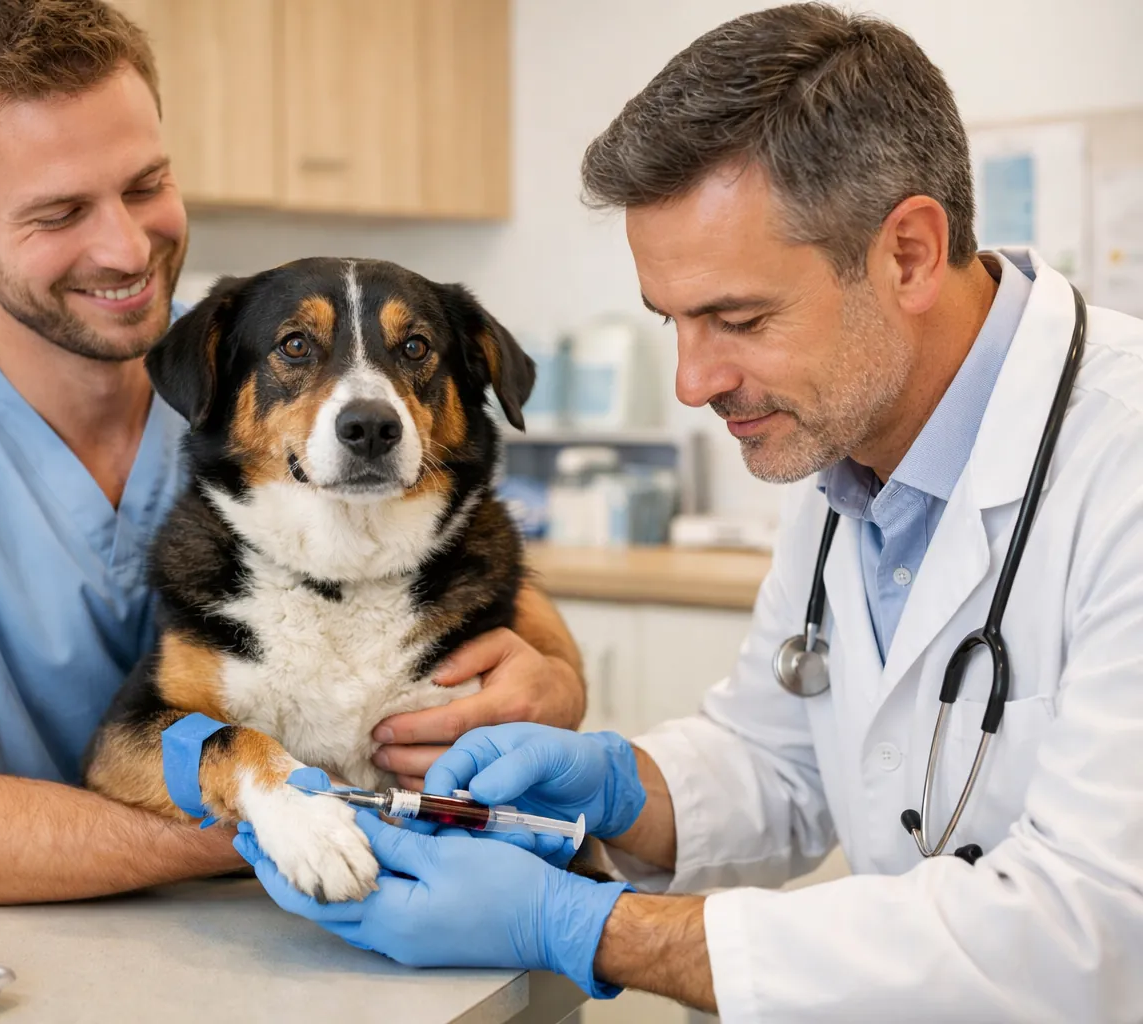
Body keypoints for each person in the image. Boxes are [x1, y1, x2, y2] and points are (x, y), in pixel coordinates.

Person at [236, 4, 1143, 1019]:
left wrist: (588, 927)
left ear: (910, 255)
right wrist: (616, 784)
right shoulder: (849, 452)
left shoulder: (1123, 462)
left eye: (739, 318)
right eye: (673, 321)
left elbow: (1087, 931)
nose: (692, 380)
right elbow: (777, 762)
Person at [0, 0, 586, 905]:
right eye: (60, 211)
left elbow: (463, 574)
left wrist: (555, 694)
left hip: (242, 928)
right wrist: (301, 822)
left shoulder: (250, 368)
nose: (125, 246)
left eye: (145, 184)